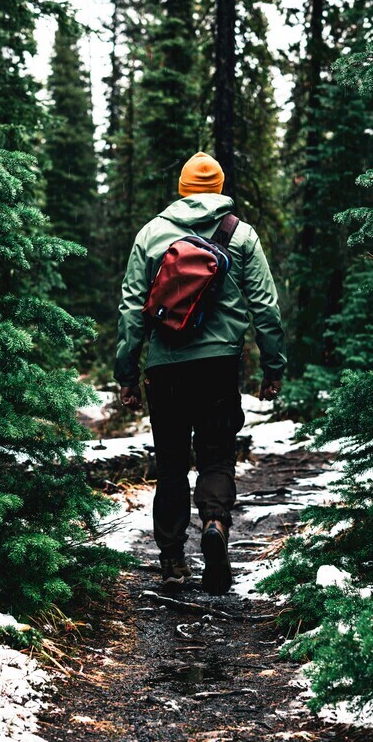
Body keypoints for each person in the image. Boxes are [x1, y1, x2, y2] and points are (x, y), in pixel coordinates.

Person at [114, 152, 286, 595]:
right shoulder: (240, 234)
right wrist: (273, 365)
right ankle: (214, 523)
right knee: (216, 455)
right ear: (220, 188)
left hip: (165, 368)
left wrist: (127, 373)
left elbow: (132, 309)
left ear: (183, 189)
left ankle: (173, 559)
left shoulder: (152, 234)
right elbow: (265, 306)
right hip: (219, 366)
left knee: (171, 463)